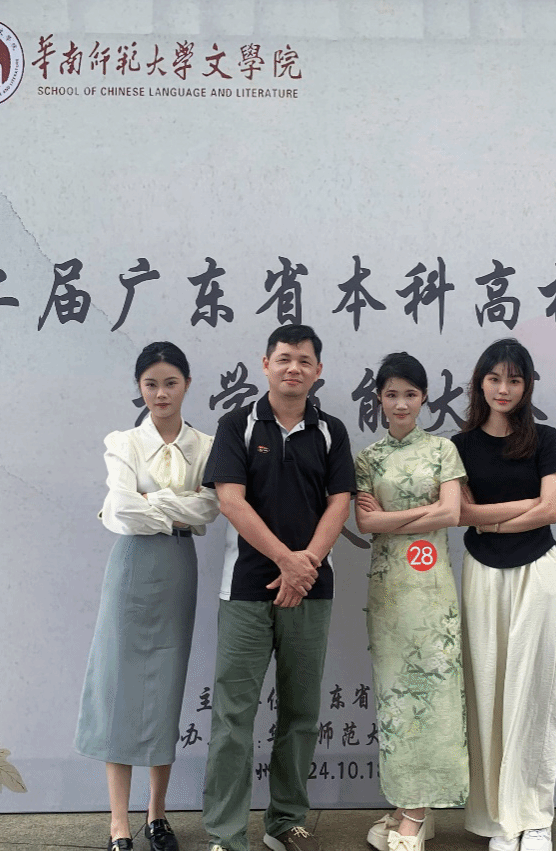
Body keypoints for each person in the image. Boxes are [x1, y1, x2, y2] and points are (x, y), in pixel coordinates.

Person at [201, 324, 355, 851]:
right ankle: (226, 834)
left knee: (301, 713)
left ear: (318, 371)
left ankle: (286, 821)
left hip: (311, 589)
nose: (294, 368)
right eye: (284, 358)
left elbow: (339, 503)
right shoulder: (237, 424)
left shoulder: (331, 431)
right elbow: (230, 500)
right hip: (245, 590)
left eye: (305, 360)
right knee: (233, 716)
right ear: (265, 364)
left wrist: (304, 566)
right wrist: (287, 561)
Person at [74, 341, 221, 851]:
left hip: (178, 568)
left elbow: (210, 509)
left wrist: (149, 501)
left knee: (164, 690)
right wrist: (174, 505)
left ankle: (157, 815)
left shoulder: (205, 445)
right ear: (139, 387)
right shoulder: (123, 442)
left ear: (187, 385)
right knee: (119, 691)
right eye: (151, 384)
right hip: (132, 567)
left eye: (170, 383)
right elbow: (119, 510)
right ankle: (119, 823)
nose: (161, 393)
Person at [451, 339, 556, 851]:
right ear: (480, 382)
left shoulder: (545, 438)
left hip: (537, 568)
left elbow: (551, 510)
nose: (504, 389)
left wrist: (494, 520)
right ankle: (500, 818)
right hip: (481, 571)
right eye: (495, 378)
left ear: (527, 387)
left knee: (533, 687)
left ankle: (535, 817)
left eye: (514, 380)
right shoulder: (460, 446)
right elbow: (462, 513)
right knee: (487, 688)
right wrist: (521, 509)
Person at [354, 352, 468, 851]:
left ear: (424, 399)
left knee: (434, 691)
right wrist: (426, 511)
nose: (401, 404)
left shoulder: (443, 449)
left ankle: (416, 816)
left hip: (432, 590)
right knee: (395, 697)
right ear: (379, 398)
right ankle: (409, 804)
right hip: (388, 590)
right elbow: (365, 523)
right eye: (391, 394)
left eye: (410, 394)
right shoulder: (368, 458)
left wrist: (392, 519)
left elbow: (452, 513)